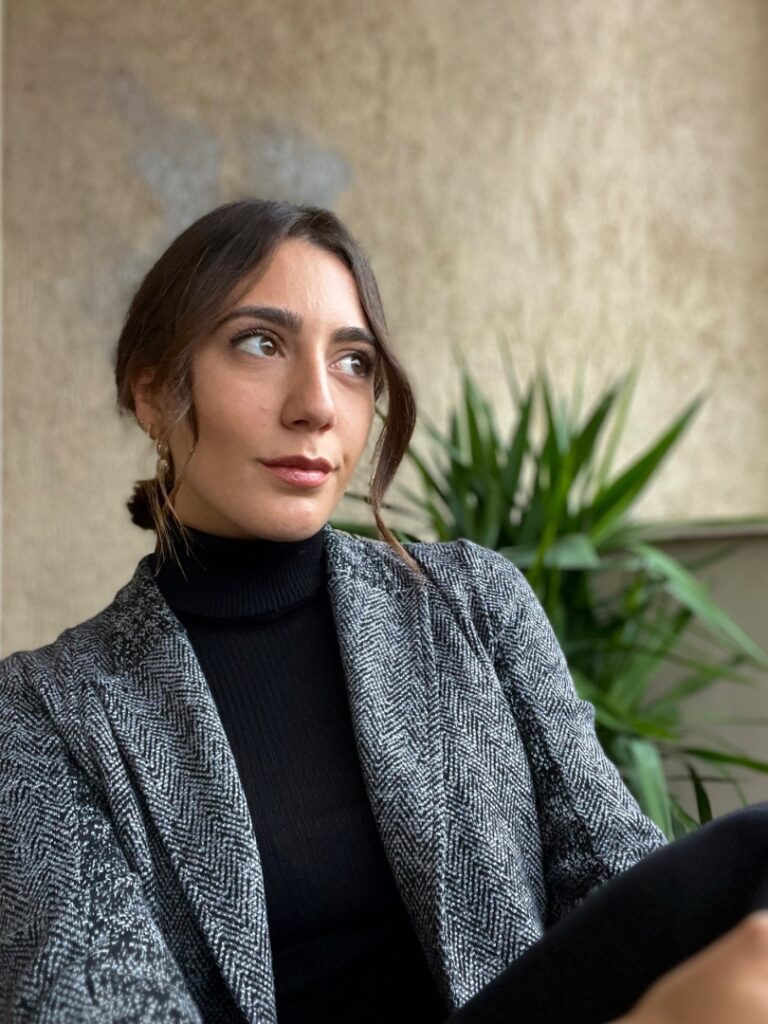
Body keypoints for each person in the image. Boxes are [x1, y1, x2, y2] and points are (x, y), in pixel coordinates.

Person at [0, 197, 765, 1023]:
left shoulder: (471, 601)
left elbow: (616, 875)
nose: (317, 404)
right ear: (152, 393)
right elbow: (92, 1005)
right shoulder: (45, 714)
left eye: (354, 361)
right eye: (260, 344)